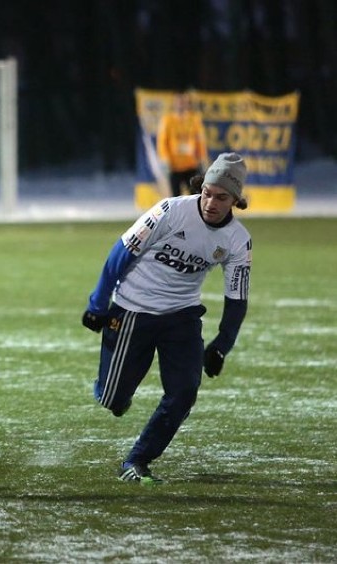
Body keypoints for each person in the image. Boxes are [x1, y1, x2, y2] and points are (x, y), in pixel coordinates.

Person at [82, 152, 252, 484]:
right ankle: (118, 395)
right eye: (207, 192)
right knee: (111, 399)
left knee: (185, 391)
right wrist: (98, 304)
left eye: (221, 197)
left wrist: (221, 345)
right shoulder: (170, 211)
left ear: (235, 200)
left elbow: (237, 298)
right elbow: (121, 252)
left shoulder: (238, 240)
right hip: (133, 309)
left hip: (182, 317)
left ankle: (137, 460)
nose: (211, 202)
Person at [156, 92, 209, 197]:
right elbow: (162, 142)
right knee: (175, 198)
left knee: (194, 196)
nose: (181, 105)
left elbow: (200, 141)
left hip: (191, 164)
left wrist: (202, 158)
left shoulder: (194, 119)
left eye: (183, 103)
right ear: (174, 104)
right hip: (174, 166)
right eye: (179, 103)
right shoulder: (167, 120)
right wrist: (164, 159)